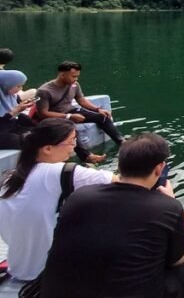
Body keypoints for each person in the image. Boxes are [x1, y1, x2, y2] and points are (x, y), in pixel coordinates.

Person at [39, 132, 184, 298]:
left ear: (120, 165)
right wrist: (173, 205)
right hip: (142, 296)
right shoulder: (166, 207)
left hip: (58, 295)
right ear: (159, 168)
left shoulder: (79, 196)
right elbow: (179, 261)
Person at [0, 118, 114, 281]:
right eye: (70, 141)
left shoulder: (8, 179)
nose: (74, 146)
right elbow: (126, 182)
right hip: (53, 274)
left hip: (20, 268)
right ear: (47, 148)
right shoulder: (62, 172)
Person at [36, 61, 124, 163]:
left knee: (102, 117)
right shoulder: (44, 91)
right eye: (73, 76)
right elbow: (43, 113)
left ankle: (121, 142)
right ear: (62, 74)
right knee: (71, 129)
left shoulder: (74, 85)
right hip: (54, 117)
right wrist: (69, 117)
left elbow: (81, 100)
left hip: (70, 110)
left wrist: (98, 109)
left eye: (77, 76)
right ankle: (87, 156)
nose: (76, 79)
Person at [0, 69, 38, 149]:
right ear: (7, 84)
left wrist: (22, 106)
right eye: (18, 86)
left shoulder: (8, 96)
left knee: (39, 131)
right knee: (28, 140)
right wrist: (15, 111)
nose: (20, 89)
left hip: (11, 126)